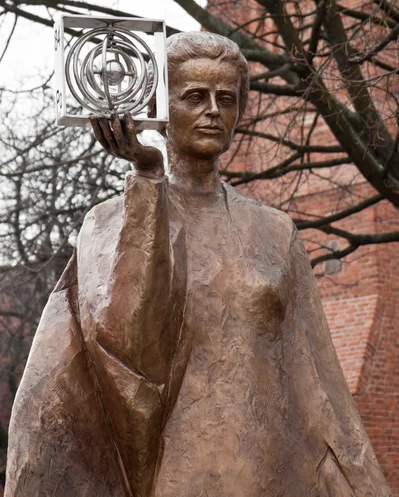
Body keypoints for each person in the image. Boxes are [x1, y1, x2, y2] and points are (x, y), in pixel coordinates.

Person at [5, 32, 391, 496]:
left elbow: (319, 382)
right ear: (162, 112)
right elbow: (125, 354)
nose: (213, 109)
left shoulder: (274, 231)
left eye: (226, 99)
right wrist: (146, 180)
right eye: (194, 96)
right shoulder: (110, 221)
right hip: (171, 470)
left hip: (265, 469)